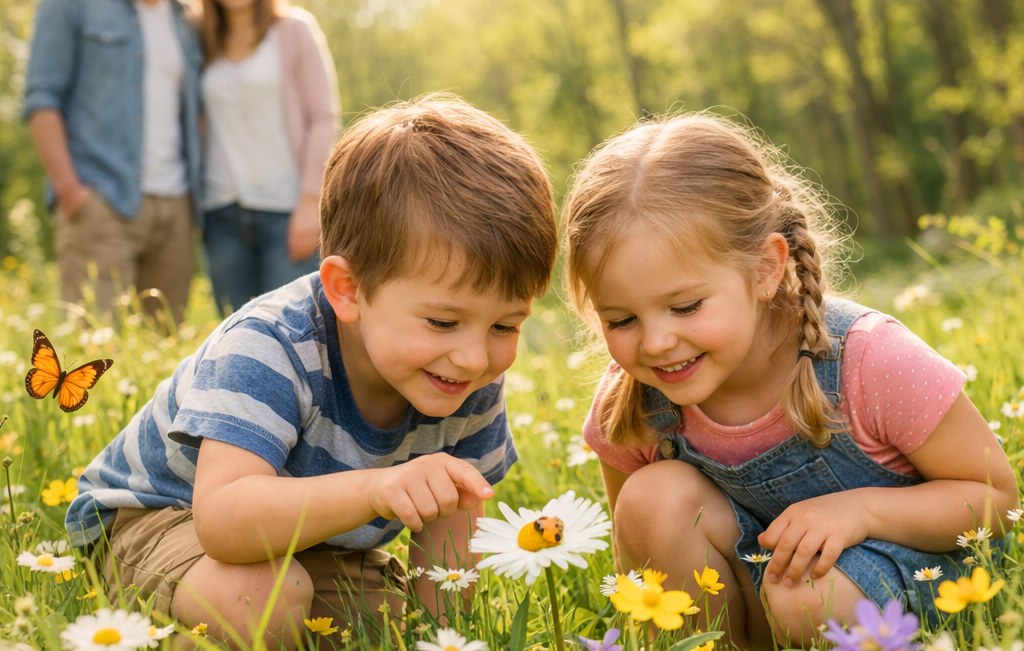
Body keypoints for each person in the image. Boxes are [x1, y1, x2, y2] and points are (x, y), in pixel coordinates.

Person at [65, 94, 558, 649]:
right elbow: (224, 519)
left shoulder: (467, 373)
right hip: (155, 519)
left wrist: (442, 636)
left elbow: (447, 551)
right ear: (348, 290)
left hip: (303, 547)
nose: (475, 357)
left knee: (390, 624)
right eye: (444, 321)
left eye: (506, 325)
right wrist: (376, 488)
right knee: (264, 599)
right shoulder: (271, 347)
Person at [561, 113, 1018, 648]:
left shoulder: (867, 359)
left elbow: (996, 498)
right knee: (651, 500)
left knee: (806, 599)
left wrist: (862, 511)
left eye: (684, 306)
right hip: (761, 594)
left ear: (764, 268)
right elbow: (639, 557)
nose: (656, 342)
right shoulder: (635, 398)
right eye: (621, 320)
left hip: (903, 580)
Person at [23, 0, 203, 325]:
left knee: (164, 353)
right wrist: (71, 191)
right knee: (90, 352)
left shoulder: (187, 17)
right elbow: (42, 99)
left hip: (177, 209)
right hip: (102, 203)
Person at [197, 0, 340, 315]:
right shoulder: (199, 37)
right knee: (232, 334)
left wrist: (310, 200)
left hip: (287, 213)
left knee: (295, 329)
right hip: (221, 216)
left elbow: (322, 117)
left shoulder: (294, 30)